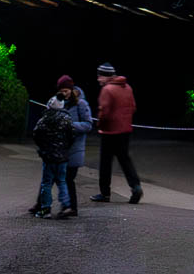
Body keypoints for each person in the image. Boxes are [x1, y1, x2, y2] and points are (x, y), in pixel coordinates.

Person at [92, 62, 143, 203]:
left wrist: (99, 125)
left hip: (109, 132)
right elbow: (133, 107)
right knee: (125, 160)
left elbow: (104, 112)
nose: (98, 79)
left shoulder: (107, 90)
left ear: (107, 76)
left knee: (105, 163)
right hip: (125, 131)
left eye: (100, 76)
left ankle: (105, 194)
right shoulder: (127, 87)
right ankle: (136, 187)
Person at [48, 74, 93, 215]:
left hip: (75, 149)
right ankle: (66, 207)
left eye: (66, 91)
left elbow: (88, 125)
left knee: (67, 178)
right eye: (61, 91)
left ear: (72, 90)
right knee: (54, 178)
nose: (64, 94)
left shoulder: (81, 104)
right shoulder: (56, 103)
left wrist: (70, 125)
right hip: (60, 148)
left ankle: (70, 207)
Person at [30, 88, 75, 217]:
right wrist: (65, 147)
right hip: (62, 156)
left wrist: (43, 147)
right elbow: (72, 135)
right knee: (62, 181)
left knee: (47, 183)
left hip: (49, 156)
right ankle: (66, 205)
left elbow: (36, 134)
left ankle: (46, 209)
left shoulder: (45, 119)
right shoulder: (67, 119)